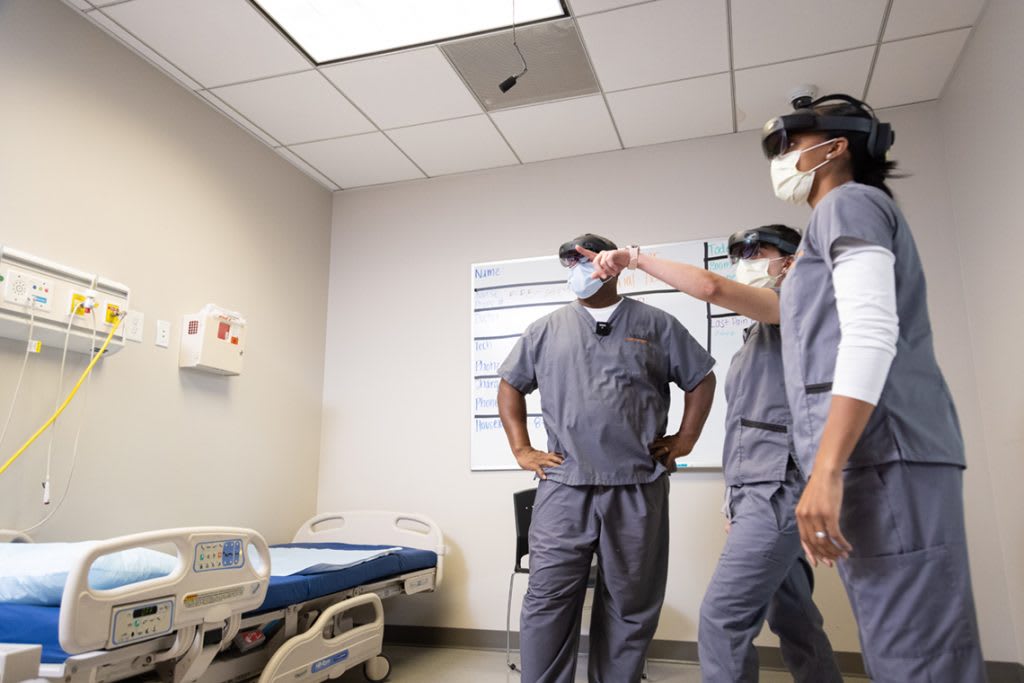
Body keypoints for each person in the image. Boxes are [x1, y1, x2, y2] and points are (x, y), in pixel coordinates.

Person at [757, 94, 985, 681]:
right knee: (899, 646)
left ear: (835, 147)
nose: (781, 158)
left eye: (790, 144)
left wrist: (826, 470)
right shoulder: (822, 231)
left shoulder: (848, 203)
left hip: (885, 458)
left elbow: (872, 331)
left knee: (917, 656)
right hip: (878, 462)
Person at [581, 226, 842, 682]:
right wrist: (736, 499)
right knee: (794, 614)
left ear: (793, 260)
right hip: (761, 488)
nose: (747, 262)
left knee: (722, 619)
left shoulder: (800, 307)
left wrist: (635, 259)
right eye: (739, 254)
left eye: (758, 252)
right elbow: (754, 422)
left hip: (777, 486)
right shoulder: (758, 334)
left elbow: (712, 287)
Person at [497, 233, 717, 683]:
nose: (577, 270)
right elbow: (510, 386)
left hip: (636, 485)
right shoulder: (545, 330)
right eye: (569, 263)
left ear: (612, 264)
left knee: (630, 603)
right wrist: (521, 449)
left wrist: (685, 440)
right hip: (564, 485)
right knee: (548, 600)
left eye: (584, 260)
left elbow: (701, 378)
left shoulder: (657, 325)